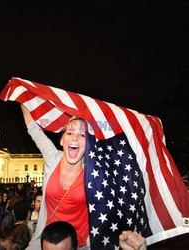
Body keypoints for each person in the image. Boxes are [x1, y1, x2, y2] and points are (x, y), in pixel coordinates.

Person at [21, 105, 146, 250]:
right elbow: (34, 129)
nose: (75, 137)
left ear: (88, 145)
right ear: (62, 141)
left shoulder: (95, 172)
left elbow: (114, 207)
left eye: (82, 135)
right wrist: (22, 95)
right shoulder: (52, 158)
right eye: (69, 133)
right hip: (47, 242)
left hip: (82, 245)